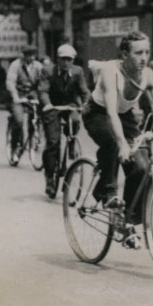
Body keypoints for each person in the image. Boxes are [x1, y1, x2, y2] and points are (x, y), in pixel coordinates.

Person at [83, 31, 153, 250]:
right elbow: (110, 113)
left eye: (147, 52)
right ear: (125, 54)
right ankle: (108, 193)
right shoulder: (111, 72)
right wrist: (122, 144)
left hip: (126, 116)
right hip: (98, 113)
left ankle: (126, 222)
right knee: (111, 143)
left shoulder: (150, 76)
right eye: (138, 53)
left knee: (142, 167)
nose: (144, 58)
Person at [38, 43, 91, 195]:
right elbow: (43, 91)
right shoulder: (48, 71)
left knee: (75, 121)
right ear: (58, 59)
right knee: (53, 142)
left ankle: (72, 141)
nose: (66, 63)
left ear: (73, 60)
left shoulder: (78, 71)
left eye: (69, 59)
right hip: (53, 106)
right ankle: (49, 177)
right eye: (63, 59)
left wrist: (87, 104)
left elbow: (84, 91)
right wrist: (47, 104)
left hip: (70, 105)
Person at [6, 45, 43, 160]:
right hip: (18, 96)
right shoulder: (15, 65)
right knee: (19, 121)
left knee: (41, 116)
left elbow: (42, 82)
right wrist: (16, 97)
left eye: (33, 55)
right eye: (28, 55)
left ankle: (34, 138)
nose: (31, 58)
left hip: (32, 96)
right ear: (24, 55)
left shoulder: (38, 66)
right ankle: (15, 147)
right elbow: (10, 82)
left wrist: (41, 95)